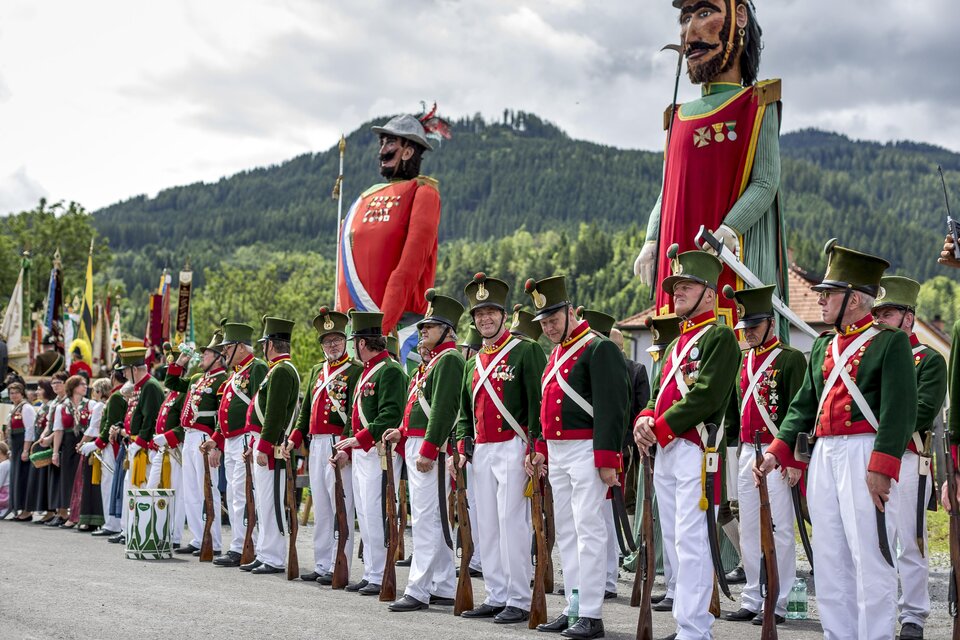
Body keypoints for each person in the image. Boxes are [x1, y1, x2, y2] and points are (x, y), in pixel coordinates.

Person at [756, 241, 916, 640]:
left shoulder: (889, 342)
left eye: (829, 294)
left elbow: (899, 412)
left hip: (865, 451)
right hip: (825, 454)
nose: (821, 301)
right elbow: (804, 404)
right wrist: (779, 450)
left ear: (856, 299)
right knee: (829, 556)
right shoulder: (824, 346)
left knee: (870, 556)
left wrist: (882, 467)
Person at [635, 0, 787, 333]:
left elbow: (765, 181)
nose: (690, 30)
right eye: (685, 17)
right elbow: (669, 190)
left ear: (740, 16)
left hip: (728, 260)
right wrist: (651, 240)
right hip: (676, 260)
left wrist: (730, 228)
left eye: (704, 13)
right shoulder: (676, 116)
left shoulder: (756, 102)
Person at [633, 247, 741, 640]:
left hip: (696, 449)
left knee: (693, 539)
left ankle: (696, 629)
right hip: (667, 448)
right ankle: (685, 624)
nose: (676, 291)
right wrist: (644, 419)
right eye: (675, 285)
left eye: (687, 285)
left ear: (709, 294)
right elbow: (658, 393)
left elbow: (707, 397)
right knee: (675, 540)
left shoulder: (721, 337)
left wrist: (658, 428)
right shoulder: (677, 343)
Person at [523, 275, 629, 639]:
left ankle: (593, 613)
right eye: (544, 323)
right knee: (566, 531)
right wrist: (539, 448)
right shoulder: (555, 353)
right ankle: (573, 606)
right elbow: (544, 407)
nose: (549, 328)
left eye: (554, 319)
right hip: (558, 451)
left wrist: (607, 458)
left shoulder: (598, 348)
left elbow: (613, 407)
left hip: (587, 450)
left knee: (589, 530)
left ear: (570, 311)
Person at [455, 274, 546, 623]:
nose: (485, 319)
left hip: (513, 446)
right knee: (486, 525)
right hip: (482, 450)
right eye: (479, 315)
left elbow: (537, 404)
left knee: (512, 523)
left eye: (491, 312)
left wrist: (535, 447)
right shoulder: (472, 363)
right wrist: (464, 446)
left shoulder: (526, 350)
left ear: (503, 315)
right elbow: (465, 412)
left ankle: (520, 598)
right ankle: (496, 593)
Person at [720, 284, 805, 625]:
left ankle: (781, 600)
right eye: (745, 327)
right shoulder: (744, 362)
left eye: (754, 326)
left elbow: (800, 413)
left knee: (782, 528)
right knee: (751, 527)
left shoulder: (789, 359)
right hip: (746, 454)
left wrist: (795, 461)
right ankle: (753, 596)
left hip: (777, 455)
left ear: (771, 324)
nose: (749, 332)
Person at [872, 276, 946, 640]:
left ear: (909, 318)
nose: (880, 320)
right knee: (872, 539)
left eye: (888, 313)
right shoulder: (870, 356)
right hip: (869, 454)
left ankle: (913, 613)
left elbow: (920, 411)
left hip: (908, 456)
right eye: (879, 313)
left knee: (909, 540)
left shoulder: (929, 361)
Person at [383, 290, 465, 612]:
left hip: (430, 447)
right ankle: (443, 584)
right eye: (423, 327)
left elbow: (444, 409)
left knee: (426, 518)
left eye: (429, 326)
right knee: (433, 517)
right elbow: (418, 407)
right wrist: (402, 432)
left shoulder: (449, 360)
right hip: (419, 442)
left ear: (447, 330)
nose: (423, 331)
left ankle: (418, 589)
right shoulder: (433, 363)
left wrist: (428, 449)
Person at [335, 108, 449, 340]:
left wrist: (382, 328)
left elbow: (409, 267)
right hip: (353, 328)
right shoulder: (363, 198)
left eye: (389, 143)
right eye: (382, 143)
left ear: (407, 151)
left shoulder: (423, 192)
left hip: (397, 328)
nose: (381, 151)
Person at [286, 308, 361, 584]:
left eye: (337, 340)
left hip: (337, 443)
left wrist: (348, 447)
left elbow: (355, 411)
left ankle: (338, 564)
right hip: (315, 444)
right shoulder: (318, 369)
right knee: (320, 503)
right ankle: (321, 563)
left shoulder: (354, 370)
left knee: (341, 504)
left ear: (346, 341)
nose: (332, 345)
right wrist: (295, 437)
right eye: (327, 341)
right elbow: (306, 411)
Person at [334, 311, 406, 595]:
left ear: (363, 343)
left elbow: (391, 414)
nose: (354, 347)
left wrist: (358, 439)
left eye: (355, 342)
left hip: (379, 451)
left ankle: (381, 573)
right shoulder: (367, 370)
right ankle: (373, 572)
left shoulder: (390, 370)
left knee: (378, 512)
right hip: (364, 450)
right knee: (365, 512)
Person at [202, 322, 268, 568]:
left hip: (244, 439)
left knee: (243, 493)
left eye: (228, 347)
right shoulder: (235, 375)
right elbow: (224, 412)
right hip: (230, 440)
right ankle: (240, 543)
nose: (225, 352)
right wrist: (216, 441)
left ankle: (245, 545)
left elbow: (259, 408)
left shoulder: (256, 369)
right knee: (233, 493)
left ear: (241, 347)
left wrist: (254, 440)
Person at [162, 333, 227, 557]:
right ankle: (199, 538)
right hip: (189, 436)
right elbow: (171, 382)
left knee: (208, 489)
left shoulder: (222, 379)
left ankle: (214, 540)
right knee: (191, 490)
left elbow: (221, 414)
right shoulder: (197, 377)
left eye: (206, 353)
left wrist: (217, 444)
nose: (202, 356)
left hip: (204, 438)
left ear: (218, 357)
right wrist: (179, 363)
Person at [246, 317, 300, 575]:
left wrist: (264, 446)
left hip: (273, 446)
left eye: (264, 344)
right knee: (263, 501)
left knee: (271, 502)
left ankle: (274, 556)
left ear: (270, 344)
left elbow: (275, 413)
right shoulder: (276, 369)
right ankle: (265, 552)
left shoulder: (281, 370)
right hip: (265, 443)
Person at [110, 347, 165, 545]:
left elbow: (150, 419)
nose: (123, 374)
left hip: (145, 448)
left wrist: (138, 443)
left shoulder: (149, 386)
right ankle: (129, 529)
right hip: (136, 444)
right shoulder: (143, 386)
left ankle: (136, 530)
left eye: (125, 370)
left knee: (138, 488)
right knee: (131, 488)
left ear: (134, 368)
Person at [80, 366, 127, 537]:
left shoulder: (116, 397)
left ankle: (112, 524)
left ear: (114, 376)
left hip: (111, 445)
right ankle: (114, 523)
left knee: (110, 485)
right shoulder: (120, 394)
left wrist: (97, 444)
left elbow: (110, 425)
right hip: (114, 443)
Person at [74, 377, 108, 531]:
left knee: (91, 482)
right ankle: (94, 518)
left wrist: (81, 443)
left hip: (94, 445)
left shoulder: (100, 405)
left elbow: (92, 428)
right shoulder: (102, 405)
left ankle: (92, 517)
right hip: (99, 443)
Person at [35, 371, 69, 526]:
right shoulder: (54, 402)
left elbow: (61, 426)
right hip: (54, 440)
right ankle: (59, 511)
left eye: (59, 382)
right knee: (55, 477)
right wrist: (44, 436)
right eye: (53, 383)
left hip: (65, 441)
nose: (55, 386)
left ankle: (64, 512)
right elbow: (49, 424)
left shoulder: (68, 401)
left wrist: (49, 437)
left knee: (63, 478)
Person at [25, 380, 55, 523]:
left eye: (40, 389)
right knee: (40, 479)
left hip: (45, 444)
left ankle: (50, 511)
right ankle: (46, 510)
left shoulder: (50, 406)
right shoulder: (43, 406)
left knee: (45, 479)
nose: (37, 392)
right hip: (40, 443)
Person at [6, 382, 36, 521]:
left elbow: (29, 430)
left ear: (22, 393)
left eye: (16, 392)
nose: (14, 395)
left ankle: (26, 511)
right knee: (17, 478)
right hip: (16, 446)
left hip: (23, 445)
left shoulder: (26, 408)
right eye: (11, 393)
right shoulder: (14, 408)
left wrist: (25, 449)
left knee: (23, 478)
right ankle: (20, 509)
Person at [0, 442, 11, 518]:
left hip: (5, 496)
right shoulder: (9, 463)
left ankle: (4, 508)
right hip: (9, 494)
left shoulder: (3, 465)